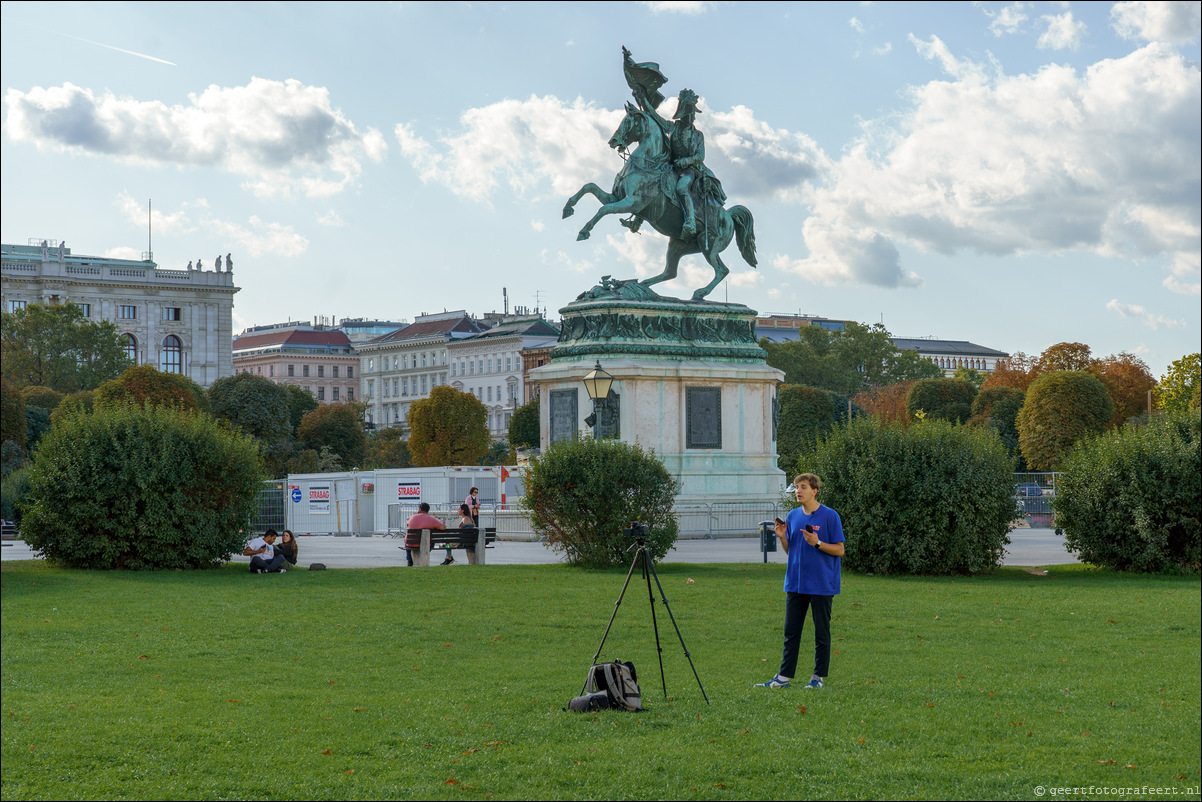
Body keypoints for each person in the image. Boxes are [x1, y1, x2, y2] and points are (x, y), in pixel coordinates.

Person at [756, 473, 845, 690]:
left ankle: (817, 679)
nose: (798, 491)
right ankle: (783, 678)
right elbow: (791, 551)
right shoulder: (793, 516)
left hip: (821, 584)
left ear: (814, 491)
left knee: (821, 633)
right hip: (796, 583)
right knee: (791, 632)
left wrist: (817, 543)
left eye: (803, 487)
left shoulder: (830, 516)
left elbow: (840, 550)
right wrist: (783, 537)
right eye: (796, 487)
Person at [404, 502, 445, 567]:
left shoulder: (412, 517)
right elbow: (443, 527)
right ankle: (422, 558)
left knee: (408, 540)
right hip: (425, 545)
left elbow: (407, 525)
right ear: (427, 510)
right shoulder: (431, 519)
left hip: (410, 544)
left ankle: (410, 561)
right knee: (430, 540)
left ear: (420, 509)